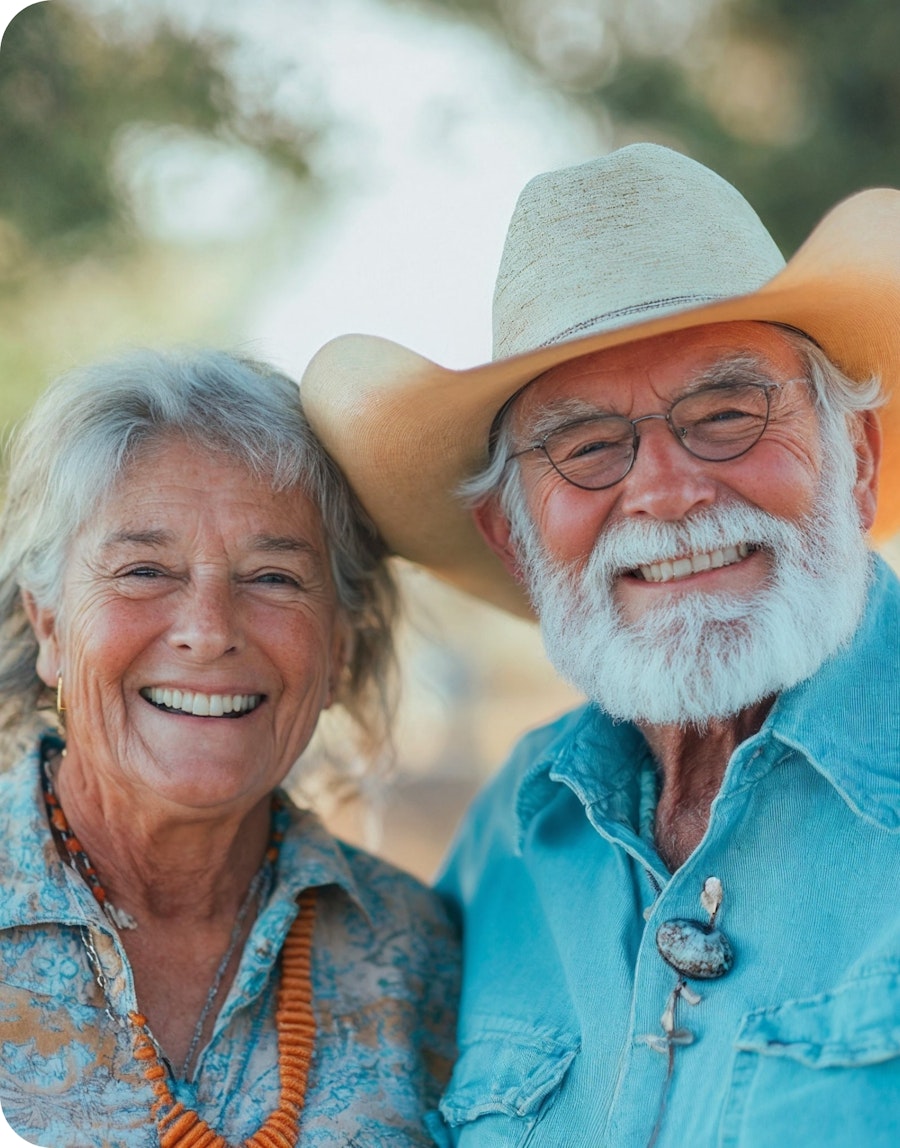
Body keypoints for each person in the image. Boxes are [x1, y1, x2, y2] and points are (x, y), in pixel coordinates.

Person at [300, 144, 900, 1146]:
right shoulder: (515, 833)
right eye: (585, 447)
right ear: (516, 538)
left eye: (728, 412)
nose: (667, 490)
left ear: (859, 460)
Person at [0, 348, 459, 1147]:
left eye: (274, 577)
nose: (209, 632)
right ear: (49, 626)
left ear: (341, 645)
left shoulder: (419, 947)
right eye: (144, 570)